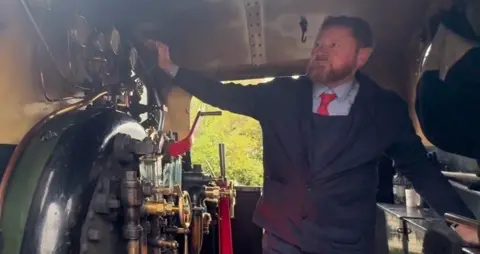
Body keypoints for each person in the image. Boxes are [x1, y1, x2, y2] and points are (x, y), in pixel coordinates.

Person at [147, 16, 478, 254]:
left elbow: (419, 168)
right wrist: (171, 69)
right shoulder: (279, 95)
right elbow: (223, 94)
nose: (321, 50)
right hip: (281, 238)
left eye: (334, 45)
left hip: (344, 244)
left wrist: (460, 221)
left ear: (362, 56)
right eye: (319, 43)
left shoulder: (384, 109)